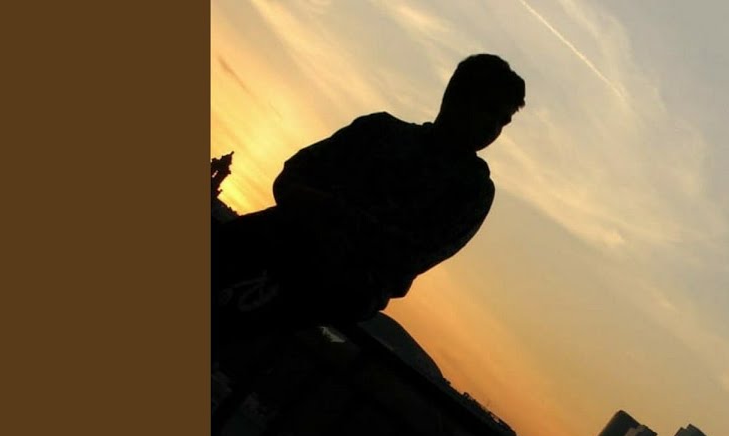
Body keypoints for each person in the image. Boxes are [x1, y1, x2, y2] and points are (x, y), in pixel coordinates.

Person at [213, 54, 525, 351]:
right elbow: (292, 177)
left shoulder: (471, 190)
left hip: (328, 288)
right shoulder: (379, 131)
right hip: (267, 247)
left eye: (503, 120)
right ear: (457, 96)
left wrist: (329, 211)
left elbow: (406, 257)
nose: (493, 128)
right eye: (489, 110)